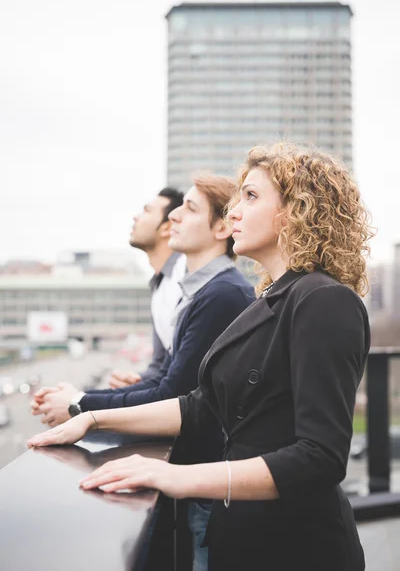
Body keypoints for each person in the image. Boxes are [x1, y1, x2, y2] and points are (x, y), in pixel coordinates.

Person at [28, 143, 373, 571]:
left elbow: (320, 458)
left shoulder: (323, 300)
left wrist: (172, 476)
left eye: (250, 196)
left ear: (296, 209)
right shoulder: (268, 300)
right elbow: (202, 406)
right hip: (242, 538)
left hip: (297, 548)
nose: (233, 213)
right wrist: (92, 418)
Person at [31, 187, 185, 426]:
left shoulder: (184, 279)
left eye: (146, 211)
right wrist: (139, 381)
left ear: (167, 226)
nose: (135, 217)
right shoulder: (161, 283)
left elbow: (176, 387)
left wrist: (77, 402)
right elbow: (163, 367)